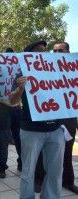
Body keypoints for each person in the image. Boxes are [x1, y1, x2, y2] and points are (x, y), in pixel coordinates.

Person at [9, 40, 65, 199]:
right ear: (29, 55)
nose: (44, 53)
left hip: (55, 130)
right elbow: (12, 101)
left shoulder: (56, 72)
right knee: (28, 170)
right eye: (39, 50)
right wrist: (20, 88)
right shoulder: (22, 75)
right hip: (31, 131)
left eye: (45, 50)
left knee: (55, 170)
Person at [34, 41, 78, 194]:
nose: (57, 54)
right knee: (43, 148)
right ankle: (38, 179)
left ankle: (68, 181)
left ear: (68, 52)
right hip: (49, 114)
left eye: (60, 51)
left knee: (67, 150)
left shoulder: (75, 69)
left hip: (69, 116)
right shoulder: (46, 68)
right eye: (54, 51)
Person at [0, 47, 22, 179]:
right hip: (4, 107)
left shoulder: (21, 68)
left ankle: (21, 163)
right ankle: (1, 167)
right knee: (2, 138)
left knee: (20, 137)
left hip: (17, 107)